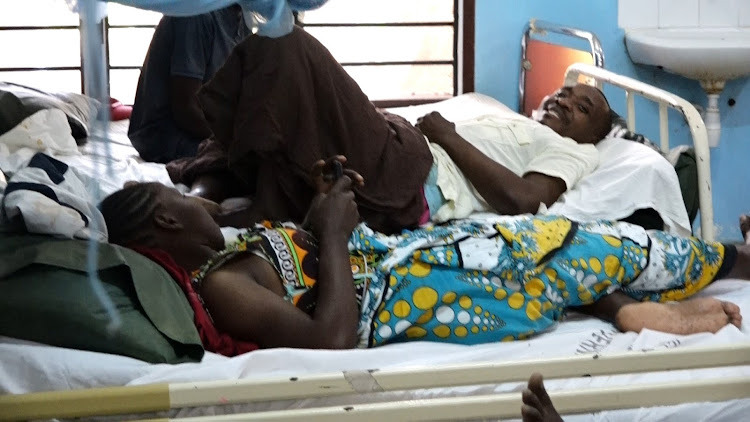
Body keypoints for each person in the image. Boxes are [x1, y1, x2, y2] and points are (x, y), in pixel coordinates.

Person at [99, 157, 747, 351]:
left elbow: (318, 254)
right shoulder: (223, 285)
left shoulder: (234, 244)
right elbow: (328, 339)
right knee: (592, 242)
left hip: (402, 253)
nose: (191, 198)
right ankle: (736, 260)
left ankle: (624, 303)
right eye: (174, 195)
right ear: (162, 216)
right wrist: (327, 231)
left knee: (575, 244)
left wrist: (330, 205)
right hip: (415, 284)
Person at [166, 27, 613, 234]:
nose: (565, 99)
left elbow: (521, 200)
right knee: (274, 95)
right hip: (401, 143)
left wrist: (446, 135)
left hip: (408, 172)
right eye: (565, 92)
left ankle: (256, 204)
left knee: (286, 45)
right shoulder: (513, 119)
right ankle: (204, 197)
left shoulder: (576, 153)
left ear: (594, 132)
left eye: (582, 106)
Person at [128, 5, 250, 163]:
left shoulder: (243, 19)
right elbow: (185, 108)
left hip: (201, 127)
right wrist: (233, 142)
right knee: (242, 165)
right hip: (165, 135)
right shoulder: (196, 14)